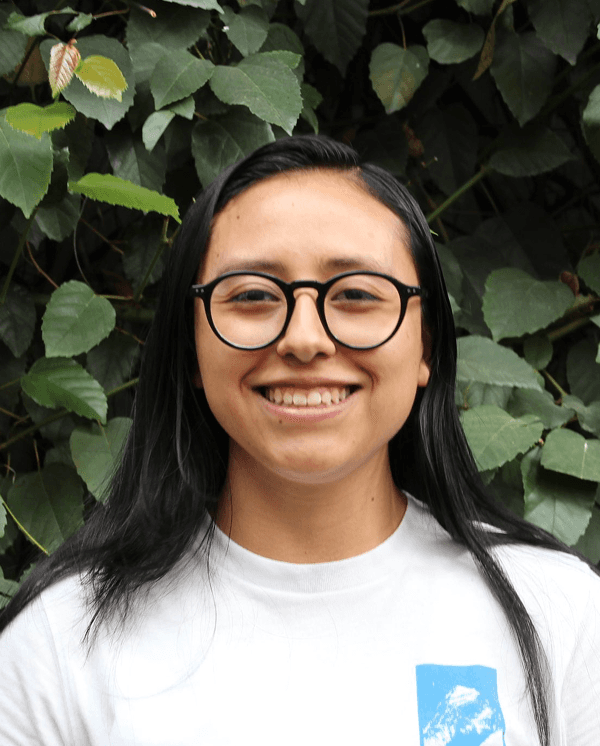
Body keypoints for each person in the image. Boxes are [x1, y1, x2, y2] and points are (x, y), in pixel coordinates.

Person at [0, 135, 599, 746]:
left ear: (426, 345)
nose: (305, 339)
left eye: (357, 294)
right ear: (190, 346)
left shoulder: (559, 612)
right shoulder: (58, 645)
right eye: (254, 296)